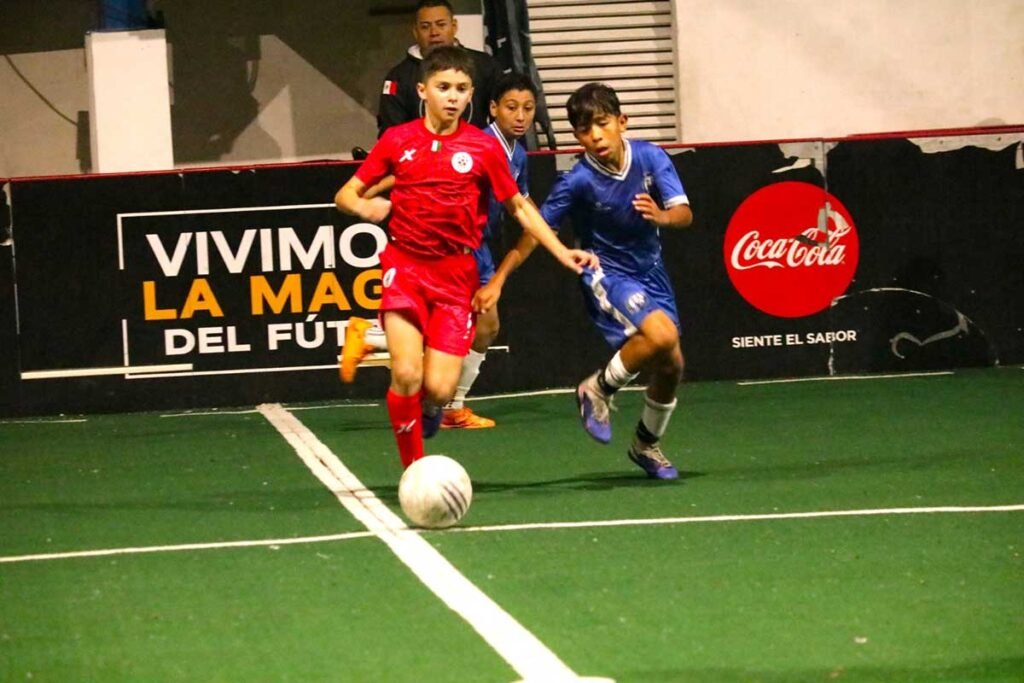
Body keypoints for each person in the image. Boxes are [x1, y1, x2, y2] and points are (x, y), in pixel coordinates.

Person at [334, 47, 596, 469]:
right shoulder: (398, 140)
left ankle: (431, 407)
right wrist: (366, 208)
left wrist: (562, 251)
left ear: (471, 94)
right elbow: (345, 195)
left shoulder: (483, 147)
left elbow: (521, 207)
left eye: (461, 88)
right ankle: (413, 469)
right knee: (406, 373)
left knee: (439, 389)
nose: (452, 96)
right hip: (405, 267)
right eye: (443, 87)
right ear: (423, 90)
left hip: (457, 275)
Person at [487, 82, 694, 480]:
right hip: (607, 272)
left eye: (602, 124)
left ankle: (646, 445)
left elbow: (684, 213)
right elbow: (535, 230)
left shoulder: (651, 157)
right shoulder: (577, 180)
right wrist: (499, 279)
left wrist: (662, 216)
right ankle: (596, 389)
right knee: (662, 336)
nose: (596, 136)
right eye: (585, 130)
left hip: (652, 272)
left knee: (672, 365)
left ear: (622, 121)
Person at [377, 0, 499, 138]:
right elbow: (391, 133)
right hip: (417, 150)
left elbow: (503, 118)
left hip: (476, 149)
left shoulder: (484, 65)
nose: (434, 32)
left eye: (441, 25)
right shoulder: (398, 77)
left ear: (454, 26)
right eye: (425, 27)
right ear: (415, 31)